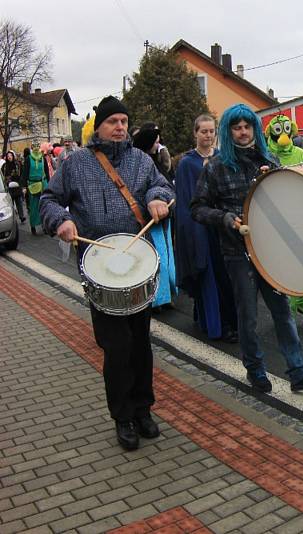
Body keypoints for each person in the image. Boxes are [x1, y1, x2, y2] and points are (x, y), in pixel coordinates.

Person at [39, 95, 174, 451]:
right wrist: (61, 220)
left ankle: (144, 409)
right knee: (117, 347)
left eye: (124, 122)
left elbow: (162, 186)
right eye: (112, 121)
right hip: (98, 267)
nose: (119, 128)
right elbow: (48, 200)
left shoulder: (142, 161)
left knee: (141, 343)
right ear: (98, 126)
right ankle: (123, 416)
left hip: (135, 264)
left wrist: (158, 199)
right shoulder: (76, 163)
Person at [191, 103, 303, 393]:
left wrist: (272, 180)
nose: (242, 132)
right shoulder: (215, 167)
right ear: (229, 132)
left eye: (247, 126)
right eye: (236, 127)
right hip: (236, 252)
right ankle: (255, 370)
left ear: (254, 128)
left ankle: (298, 371)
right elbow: (197, 209)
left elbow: (285, 202)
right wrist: (225, 218)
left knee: (282, 310)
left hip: (270, 249)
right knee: (249, 315)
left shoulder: (269, 160)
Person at [175, 114, 238, 343]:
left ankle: (228, 321)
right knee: (209, 277)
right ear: (195, 133)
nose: (208, 136)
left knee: (228, 278)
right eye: (204, 131)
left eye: (212, 131)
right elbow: (184, 202)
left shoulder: (222, 157)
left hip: (222, 226)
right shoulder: (186, 163)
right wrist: (192, 233)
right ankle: (217, 326)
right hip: (201, 227)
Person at [265, 114, 303, 322]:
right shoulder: (266, 155)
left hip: (300, 214)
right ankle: (286, 308)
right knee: (282, 264)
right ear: (272, 132)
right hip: (274, 218)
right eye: (278, 130)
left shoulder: (300, 153)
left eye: (286, 129)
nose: (283, 134)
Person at [133, 124, 177, 311]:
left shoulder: (156, 161)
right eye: (156, 141)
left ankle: (165, 297)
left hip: (164, 218)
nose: (159, 145)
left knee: (166, 258)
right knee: (155, 259)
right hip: (151, 220)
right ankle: (155, 298)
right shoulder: (142, 164)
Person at [22, 143, 49, 234]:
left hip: (43, 184)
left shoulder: (43, 158)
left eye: (38, 146)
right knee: (33, 207)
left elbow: (47, 172)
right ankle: (33, 225)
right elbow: (25, 173)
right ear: (32, 148)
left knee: (44, 205)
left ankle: (44, 225)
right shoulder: (28, 159)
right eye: (34, 146)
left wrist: (49, 184)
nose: (36, 148)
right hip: (33, 185)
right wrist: (24, 187)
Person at [3, 151, 25, 222]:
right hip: (9, 187)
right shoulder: (4, 166)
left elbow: (20, 174)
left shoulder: (17, 164)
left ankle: (21, 217)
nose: (9, 157)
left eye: (11, 155)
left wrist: (21, 185)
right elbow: (4, 176)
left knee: (19, 202)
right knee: (11, 204)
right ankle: (12, 219)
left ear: (13, 156)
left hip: (17, 186)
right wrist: (9, 179)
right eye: (8, 156)